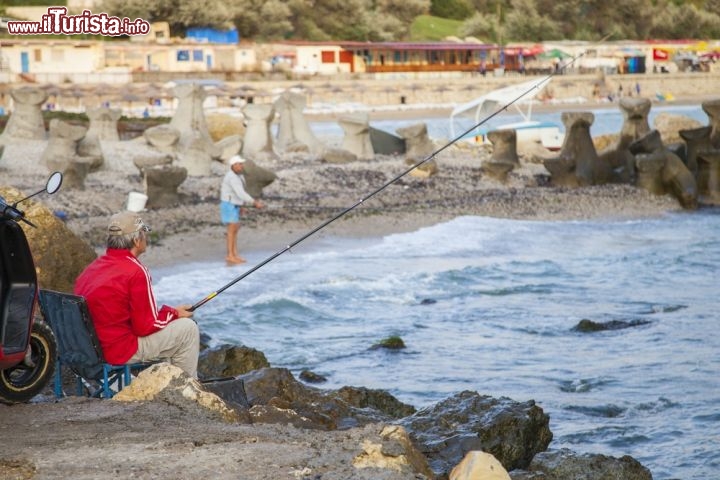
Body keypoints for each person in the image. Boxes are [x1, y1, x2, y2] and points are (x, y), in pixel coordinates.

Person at [74, 211, 200, 377]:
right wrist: (174, 313)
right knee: (188, 329)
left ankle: (165, 381)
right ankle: (188, 390)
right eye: (143, 233)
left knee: (171, 331)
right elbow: (144, 327)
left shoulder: (93, 268)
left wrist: (172, 314)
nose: (145, 238)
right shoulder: (136, 271)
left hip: (90, 348)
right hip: (118, 351)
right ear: (136, 240)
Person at [220, 154, 264, 265]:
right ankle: (230, 255)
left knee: (235, 230)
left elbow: (239, 194)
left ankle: (235, 254)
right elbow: (240, 193)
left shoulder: (239, 175)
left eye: (241, 164)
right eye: (239, 164)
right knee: (231, 230)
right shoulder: (231, 177)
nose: (241, 166)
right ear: (233, 165)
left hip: (235, 204)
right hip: (228, 205)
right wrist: (254, 202)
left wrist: (241, 206)